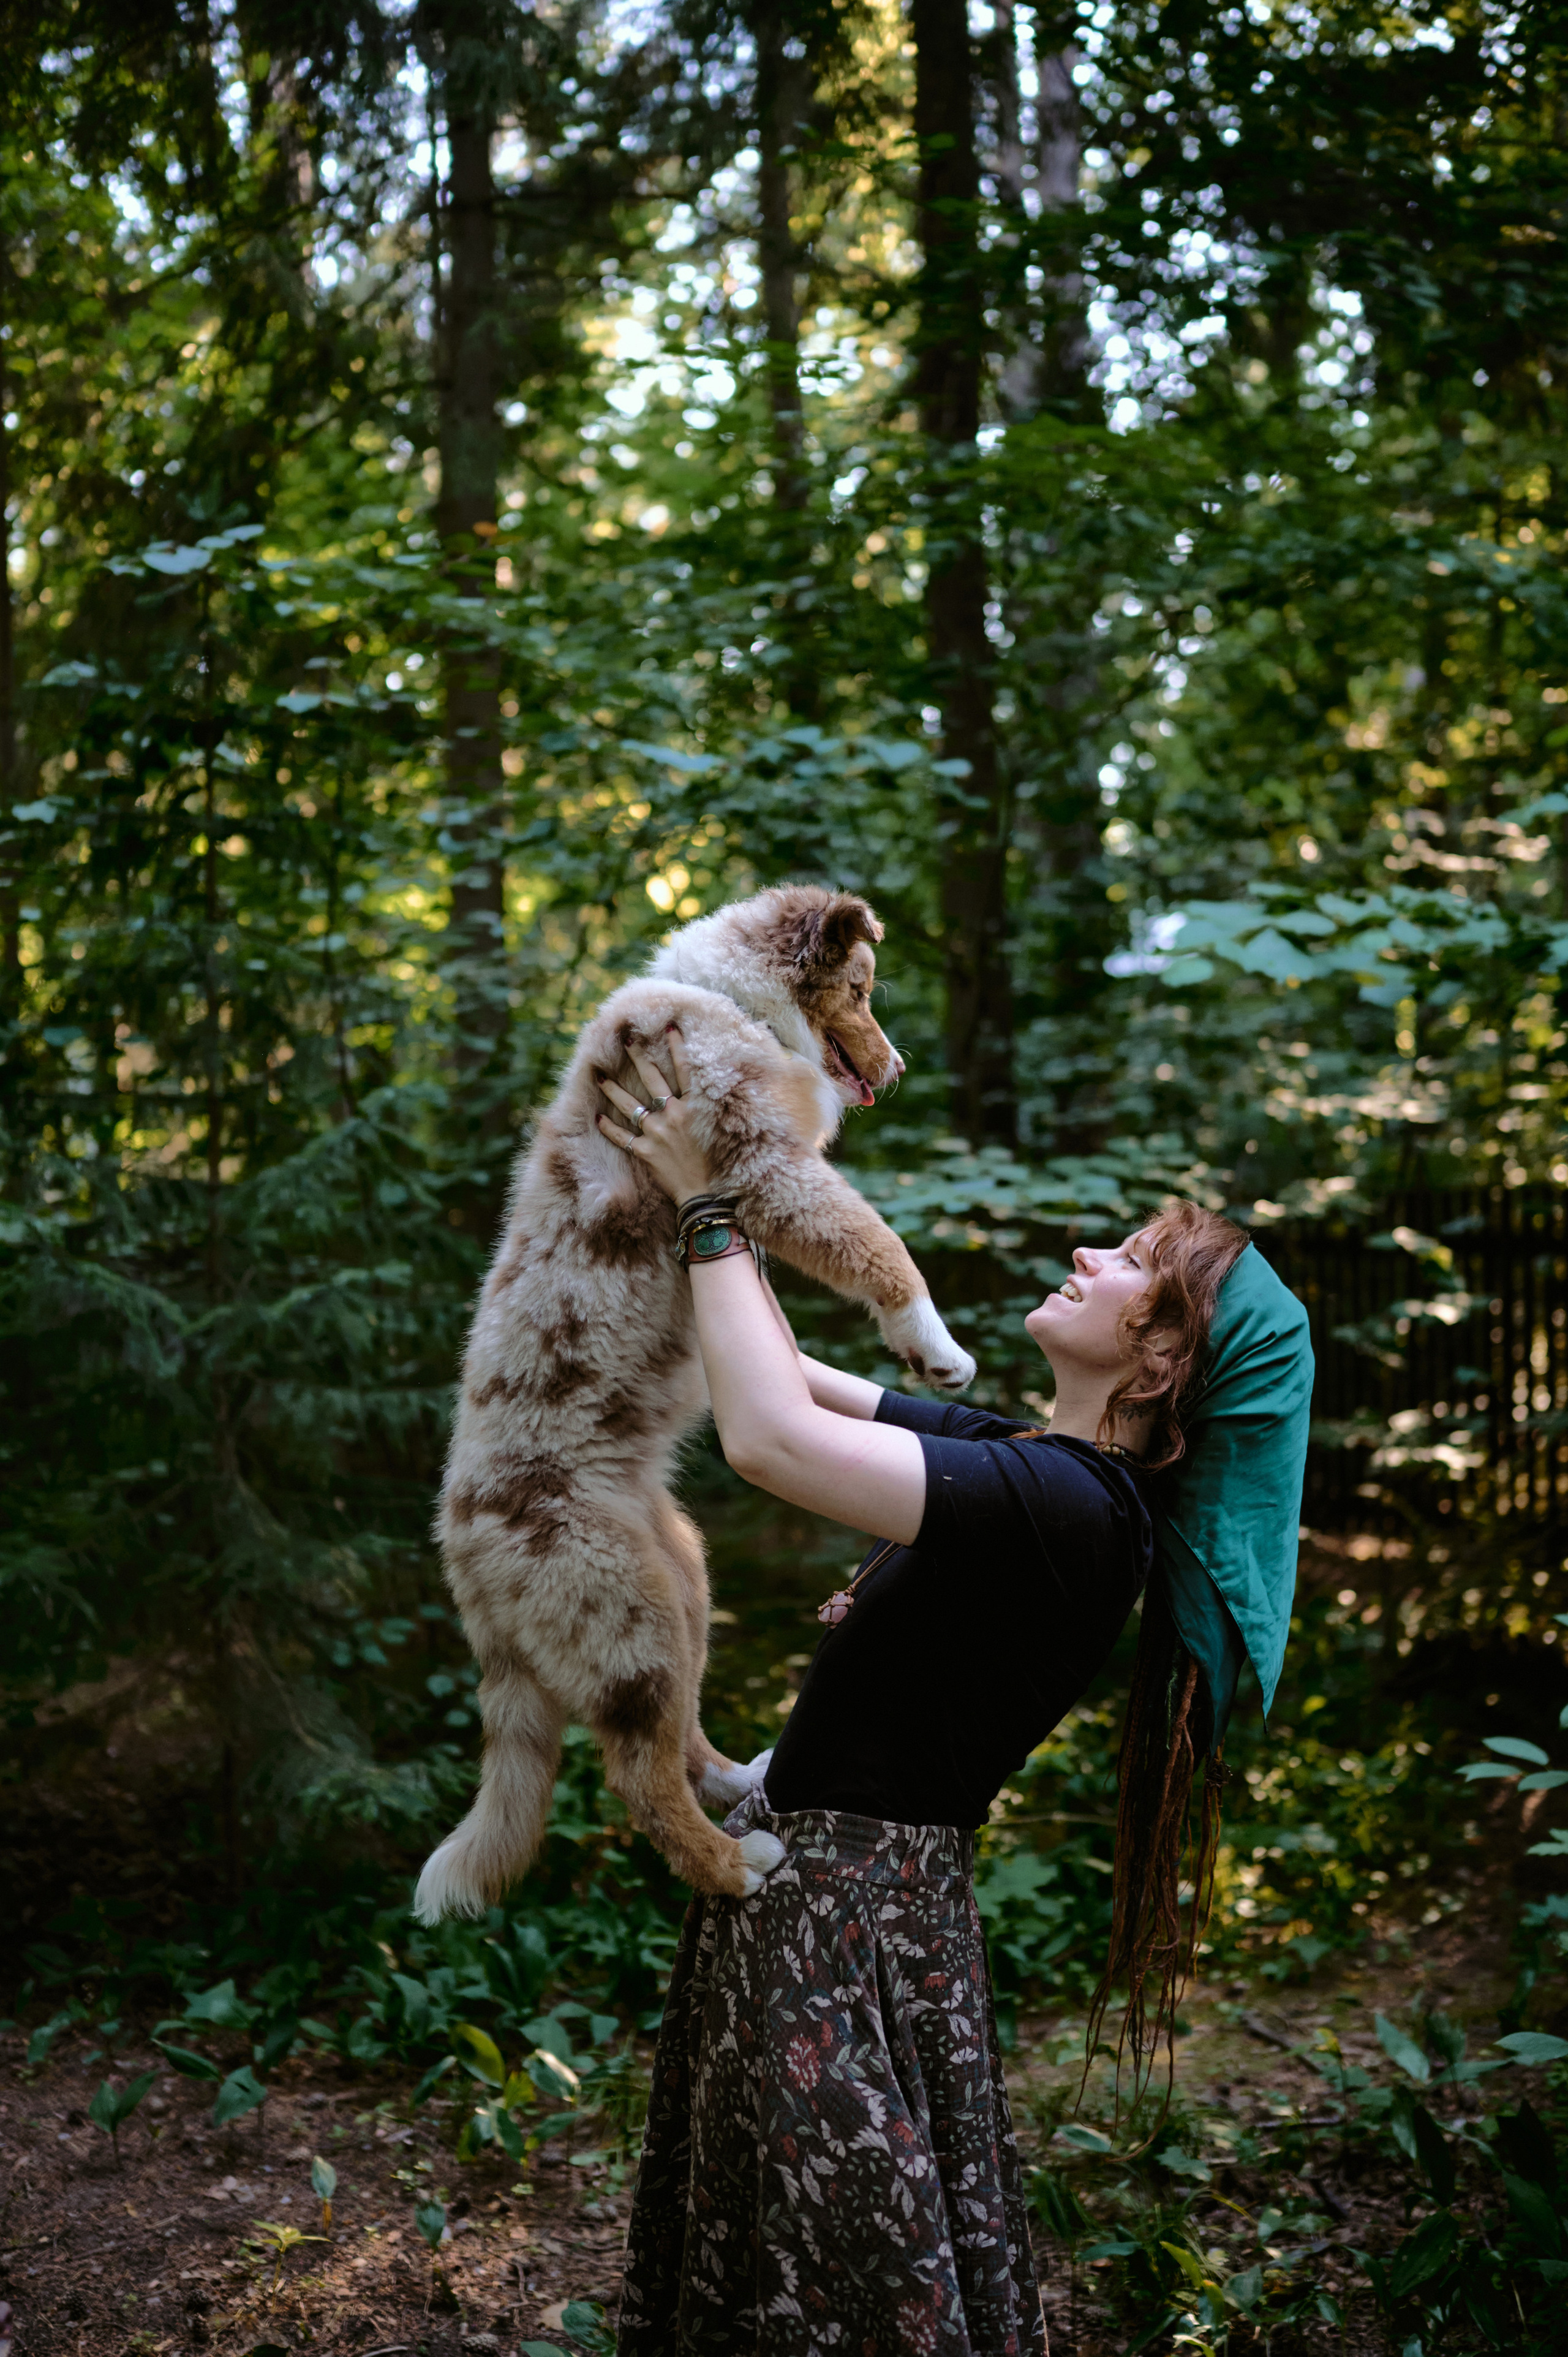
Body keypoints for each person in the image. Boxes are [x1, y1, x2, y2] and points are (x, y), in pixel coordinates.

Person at [594, 1031, 1313, 2357]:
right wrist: (700, 1201)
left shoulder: (1076, 1511)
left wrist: (710, 1211)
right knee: (804, 2256)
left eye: (1131, 1268)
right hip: (827, 1891)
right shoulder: (1024, 1457)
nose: (1091, 1256)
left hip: (847, 1924)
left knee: (840, 2276)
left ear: (1153, 1367)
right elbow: (787, 1377)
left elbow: (768, 1441)